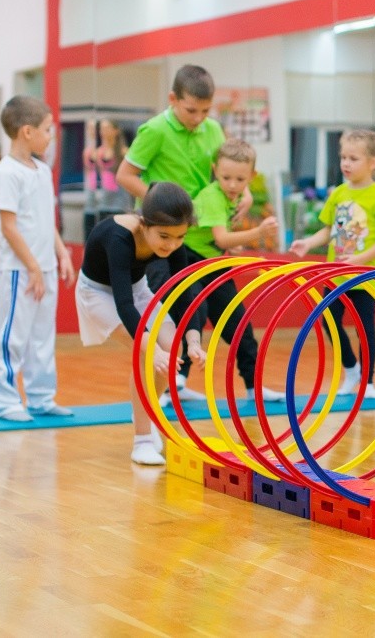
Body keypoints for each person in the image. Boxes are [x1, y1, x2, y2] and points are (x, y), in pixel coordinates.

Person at [116, 64, 249, 402]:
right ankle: (168, 383)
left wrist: (243, 194)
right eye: (191, 110)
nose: (199, 118)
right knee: (178, 309)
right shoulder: (155, 130)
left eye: (206, 111)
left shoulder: (214, 130)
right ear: (173, 99)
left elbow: (226, 173)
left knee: (225, 313)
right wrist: (165, 209)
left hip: (203, 241)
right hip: (167, 241)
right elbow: (125, 175)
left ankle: (245, 384)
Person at [75, 182, 208, 465]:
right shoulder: (119, 238)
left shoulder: (172, 238)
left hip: (138, 289)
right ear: (144, 223)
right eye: (164, 237)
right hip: (97, 294)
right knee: (147, 354)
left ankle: (143, 411)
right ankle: (142, 440)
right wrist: (152, 348)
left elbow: (184, 292)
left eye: (180, 237)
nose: (171, 245)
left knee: (172, 349)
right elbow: (124, 304)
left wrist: (194, 342)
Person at [289, 129, 375, 399]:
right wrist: (307, 243)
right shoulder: (339, 193)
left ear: (372, 163)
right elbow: (328, 231)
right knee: (328, 322)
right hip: (335, 276)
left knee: (365, 328)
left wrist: (358, 261)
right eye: (343, 157)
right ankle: (351, 368)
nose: (345, 163)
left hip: (364, 277)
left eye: (353, 158)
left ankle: (368, 381)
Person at [177, 138, 284, 405]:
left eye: (240, 179)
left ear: (251, 177)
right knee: (193, 315)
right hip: (190, 260)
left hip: (214, 262)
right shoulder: (213, 196)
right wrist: (258, 232)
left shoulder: (232, 196)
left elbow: (220, 239)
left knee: (239, 325)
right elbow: (222, 237)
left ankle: (253, 387)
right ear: (215, 171)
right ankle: (175, 384)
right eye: (226, 178)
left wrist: (226, 245)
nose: (233, 185)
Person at [0, 96, 77, 422]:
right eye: (47, 130)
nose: (51, 136)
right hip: (19, 271)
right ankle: (7, 401)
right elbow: (9, 226)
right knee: (12, 337)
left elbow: (44, 219)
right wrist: (32, 267)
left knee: (42, 337)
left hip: (45, 268)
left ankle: (41, 397)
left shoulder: (41, 171)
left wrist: (61, 253)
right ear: (27, 131)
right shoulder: (6, 172)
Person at [84, 118, 133, 213]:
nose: (103, 132)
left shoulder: (124, 151)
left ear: (116, 131)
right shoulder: (98, 152)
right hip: (103, 199)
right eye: (102, 129)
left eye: (107, 128)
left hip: (120, 199)